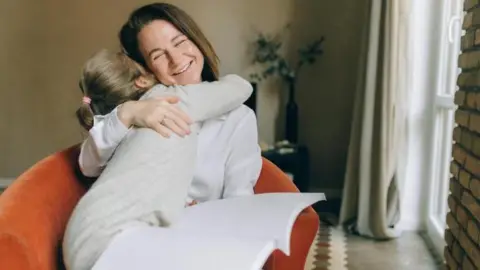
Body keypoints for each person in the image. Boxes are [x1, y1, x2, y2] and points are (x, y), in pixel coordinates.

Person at [63, 3, 262, 270]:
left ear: (196, 39)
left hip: (199, 239)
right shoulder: (143, 108)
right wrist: (128, 113)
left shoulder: (238, 119)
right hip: (131, 239)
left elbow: (239, 199)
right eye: (158, 55)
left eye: (180, 42)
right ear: (145, 70)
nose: (177, 59)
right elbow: (88, 164)